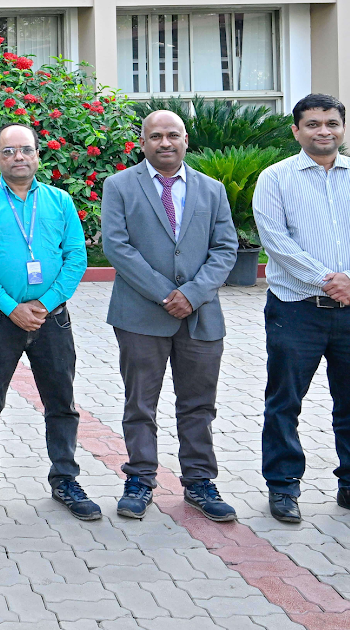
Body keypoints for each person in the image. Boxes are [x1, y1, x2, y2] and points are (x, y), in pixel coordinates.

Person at [252, 93, 350, 526]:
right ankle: (283, 487)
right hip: (296, 311)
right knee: (284, 402)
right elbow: (276, 241)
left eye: (331, 123)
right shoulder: (276, 179)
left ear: (343, 128)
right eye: (313, 124)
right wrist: (328, 279)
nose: (324, 131)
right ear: (296, 130)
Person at [100, 110, 239, 523]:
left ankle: (199, 482)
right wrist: (166, 294)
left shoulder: (212, 189)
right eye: (156, 136)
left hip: (200, 316)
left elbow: (225, 248)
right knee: (140, 403)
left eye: (173, 135)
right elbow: (117, 247)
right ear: (142, 142)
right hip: (140, 315)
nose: (165, 143)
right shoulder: (119, 186)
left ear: (185, 140)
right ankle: (140, 480)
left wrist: (192, 294)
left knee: (198, 405)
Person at [0, 122, 95, 521]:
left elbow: (76, 258)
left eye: (26, 150)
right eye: (9, 151)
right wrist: (10, 306)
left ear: (38, 155)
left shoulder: (60, 201)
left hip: (53, 319)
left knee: (61, 402)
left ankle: (65, 479)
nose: (18, 157)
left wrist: (46, 303)